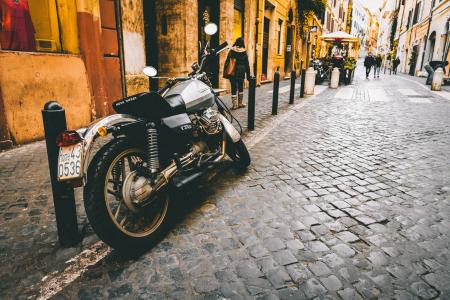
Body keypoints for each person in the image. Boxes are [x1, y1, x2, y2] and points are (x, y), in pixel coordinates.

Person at [223, 37, 251, 110]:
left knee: (233, 88)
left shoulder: (232, 51)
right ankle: (240, 103)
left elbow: (227, 61)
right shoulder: (244, 52)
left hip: (233, 72)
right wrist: (248, 75)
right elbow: (247, 65)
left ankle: (234, 105)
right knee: (240, 87)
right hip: (241, 72)